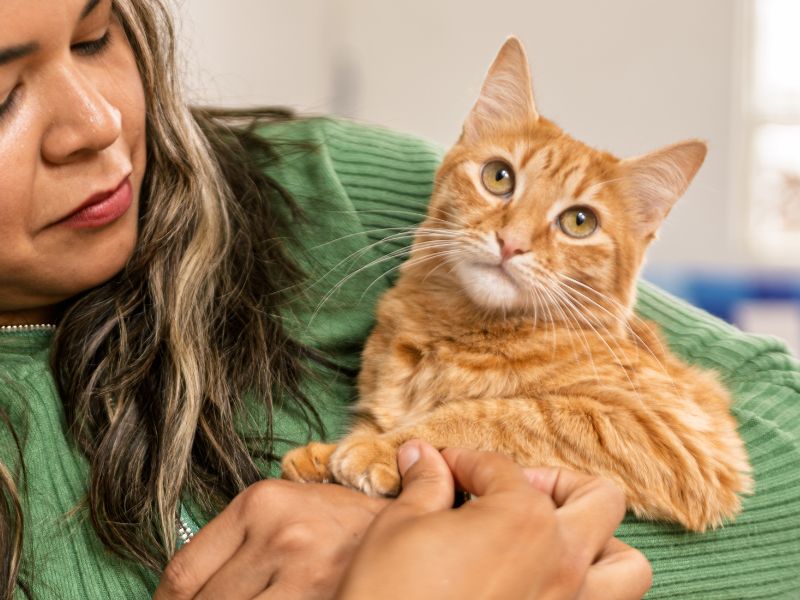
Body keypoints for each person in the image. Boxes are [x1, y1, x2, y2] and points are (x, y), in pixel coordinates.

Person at [0, 0, 796, 598]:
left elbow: (773, 432)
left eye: (97, 33)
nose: (97, 127)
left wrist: (423, 540)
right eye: (2, 92)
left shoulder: (328, 187)